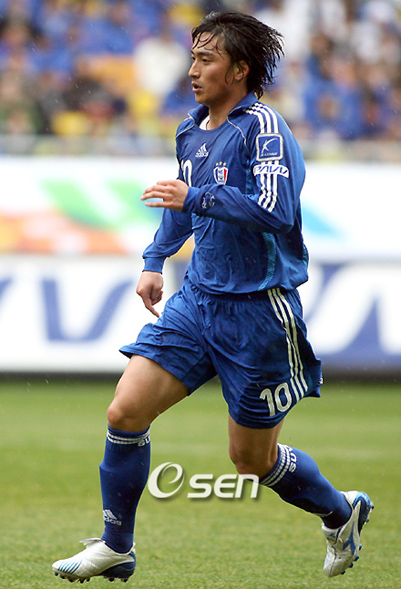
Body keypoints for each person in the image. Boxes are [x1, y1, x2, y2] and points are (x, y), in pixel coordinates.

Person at [52, 10, 373, 583]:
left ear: (239, 69)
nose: (193, 70)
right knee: (125, 410)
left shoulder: (264, 130)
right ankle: (116, 545)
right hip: (198, 301)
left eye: (206, 59)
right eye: (193, 57)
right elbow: (182, 205)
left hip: (259, 311)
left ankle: (340, 511)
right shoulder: (191, 129)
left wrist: (194, 197)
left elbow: (274, 210)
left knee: (251, 461)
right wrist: (154, 260)